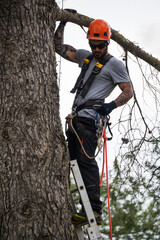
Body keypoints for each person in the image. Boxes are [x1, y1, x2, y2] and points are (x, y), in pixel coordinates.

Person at [54, 19, 133, 225]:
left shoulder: (114, 64)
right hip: (76, 119)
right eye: (93, 45)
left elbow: (128, 91)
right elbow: (59, 48)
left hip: (89, 122)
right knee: (69, 162)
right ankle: (80, 207)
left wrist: (111, 105)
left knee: (86, 162)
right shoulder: (86, 57)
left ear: (107, 43)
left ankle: (95, 211)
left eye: (100, 45)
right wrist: (62, 23)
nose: (96, 49)